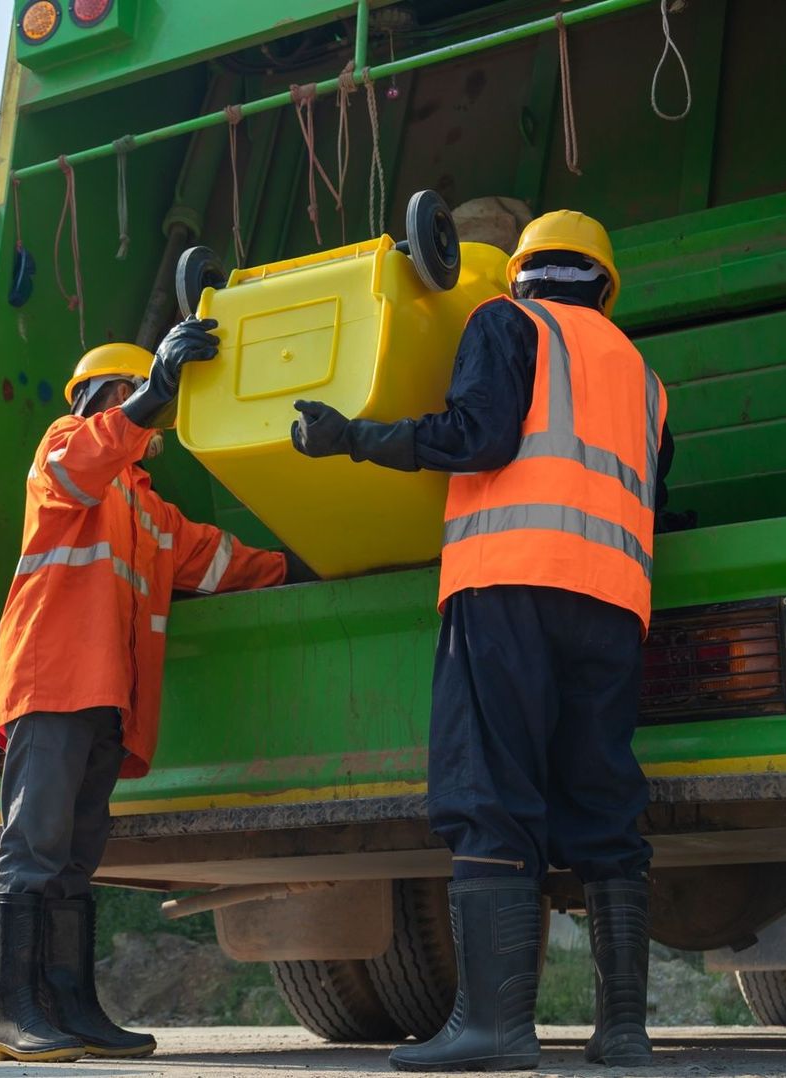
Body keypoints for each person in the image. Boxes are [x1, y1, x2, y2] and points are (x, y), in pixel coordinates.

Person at [289, 210, 677, 1071]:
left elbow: (480, 437)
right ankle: (623, 1032)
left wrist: (353, 437)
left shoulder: (507, 322)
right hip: (613, 603)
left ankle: (495, 1028)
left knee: (492, 788)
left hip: (508, 582)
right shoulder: (643, 376)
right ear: (604, 284)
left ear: (523, 272)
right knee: (605, 798)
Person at [0, 320, 301, 1063]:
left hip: (104, 699)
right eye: (129, 393)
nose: (141, 410)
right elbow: (82, 463)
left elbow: (222, 561)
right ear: (98, 398)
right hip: (53, 681)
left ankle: (67, 1006)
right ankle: (10, 1015)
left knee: (72, 857)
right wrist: (155, 391)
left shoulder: (149, 511)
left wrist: (304, 566)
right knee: (33, 847)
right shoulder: (64, 449)